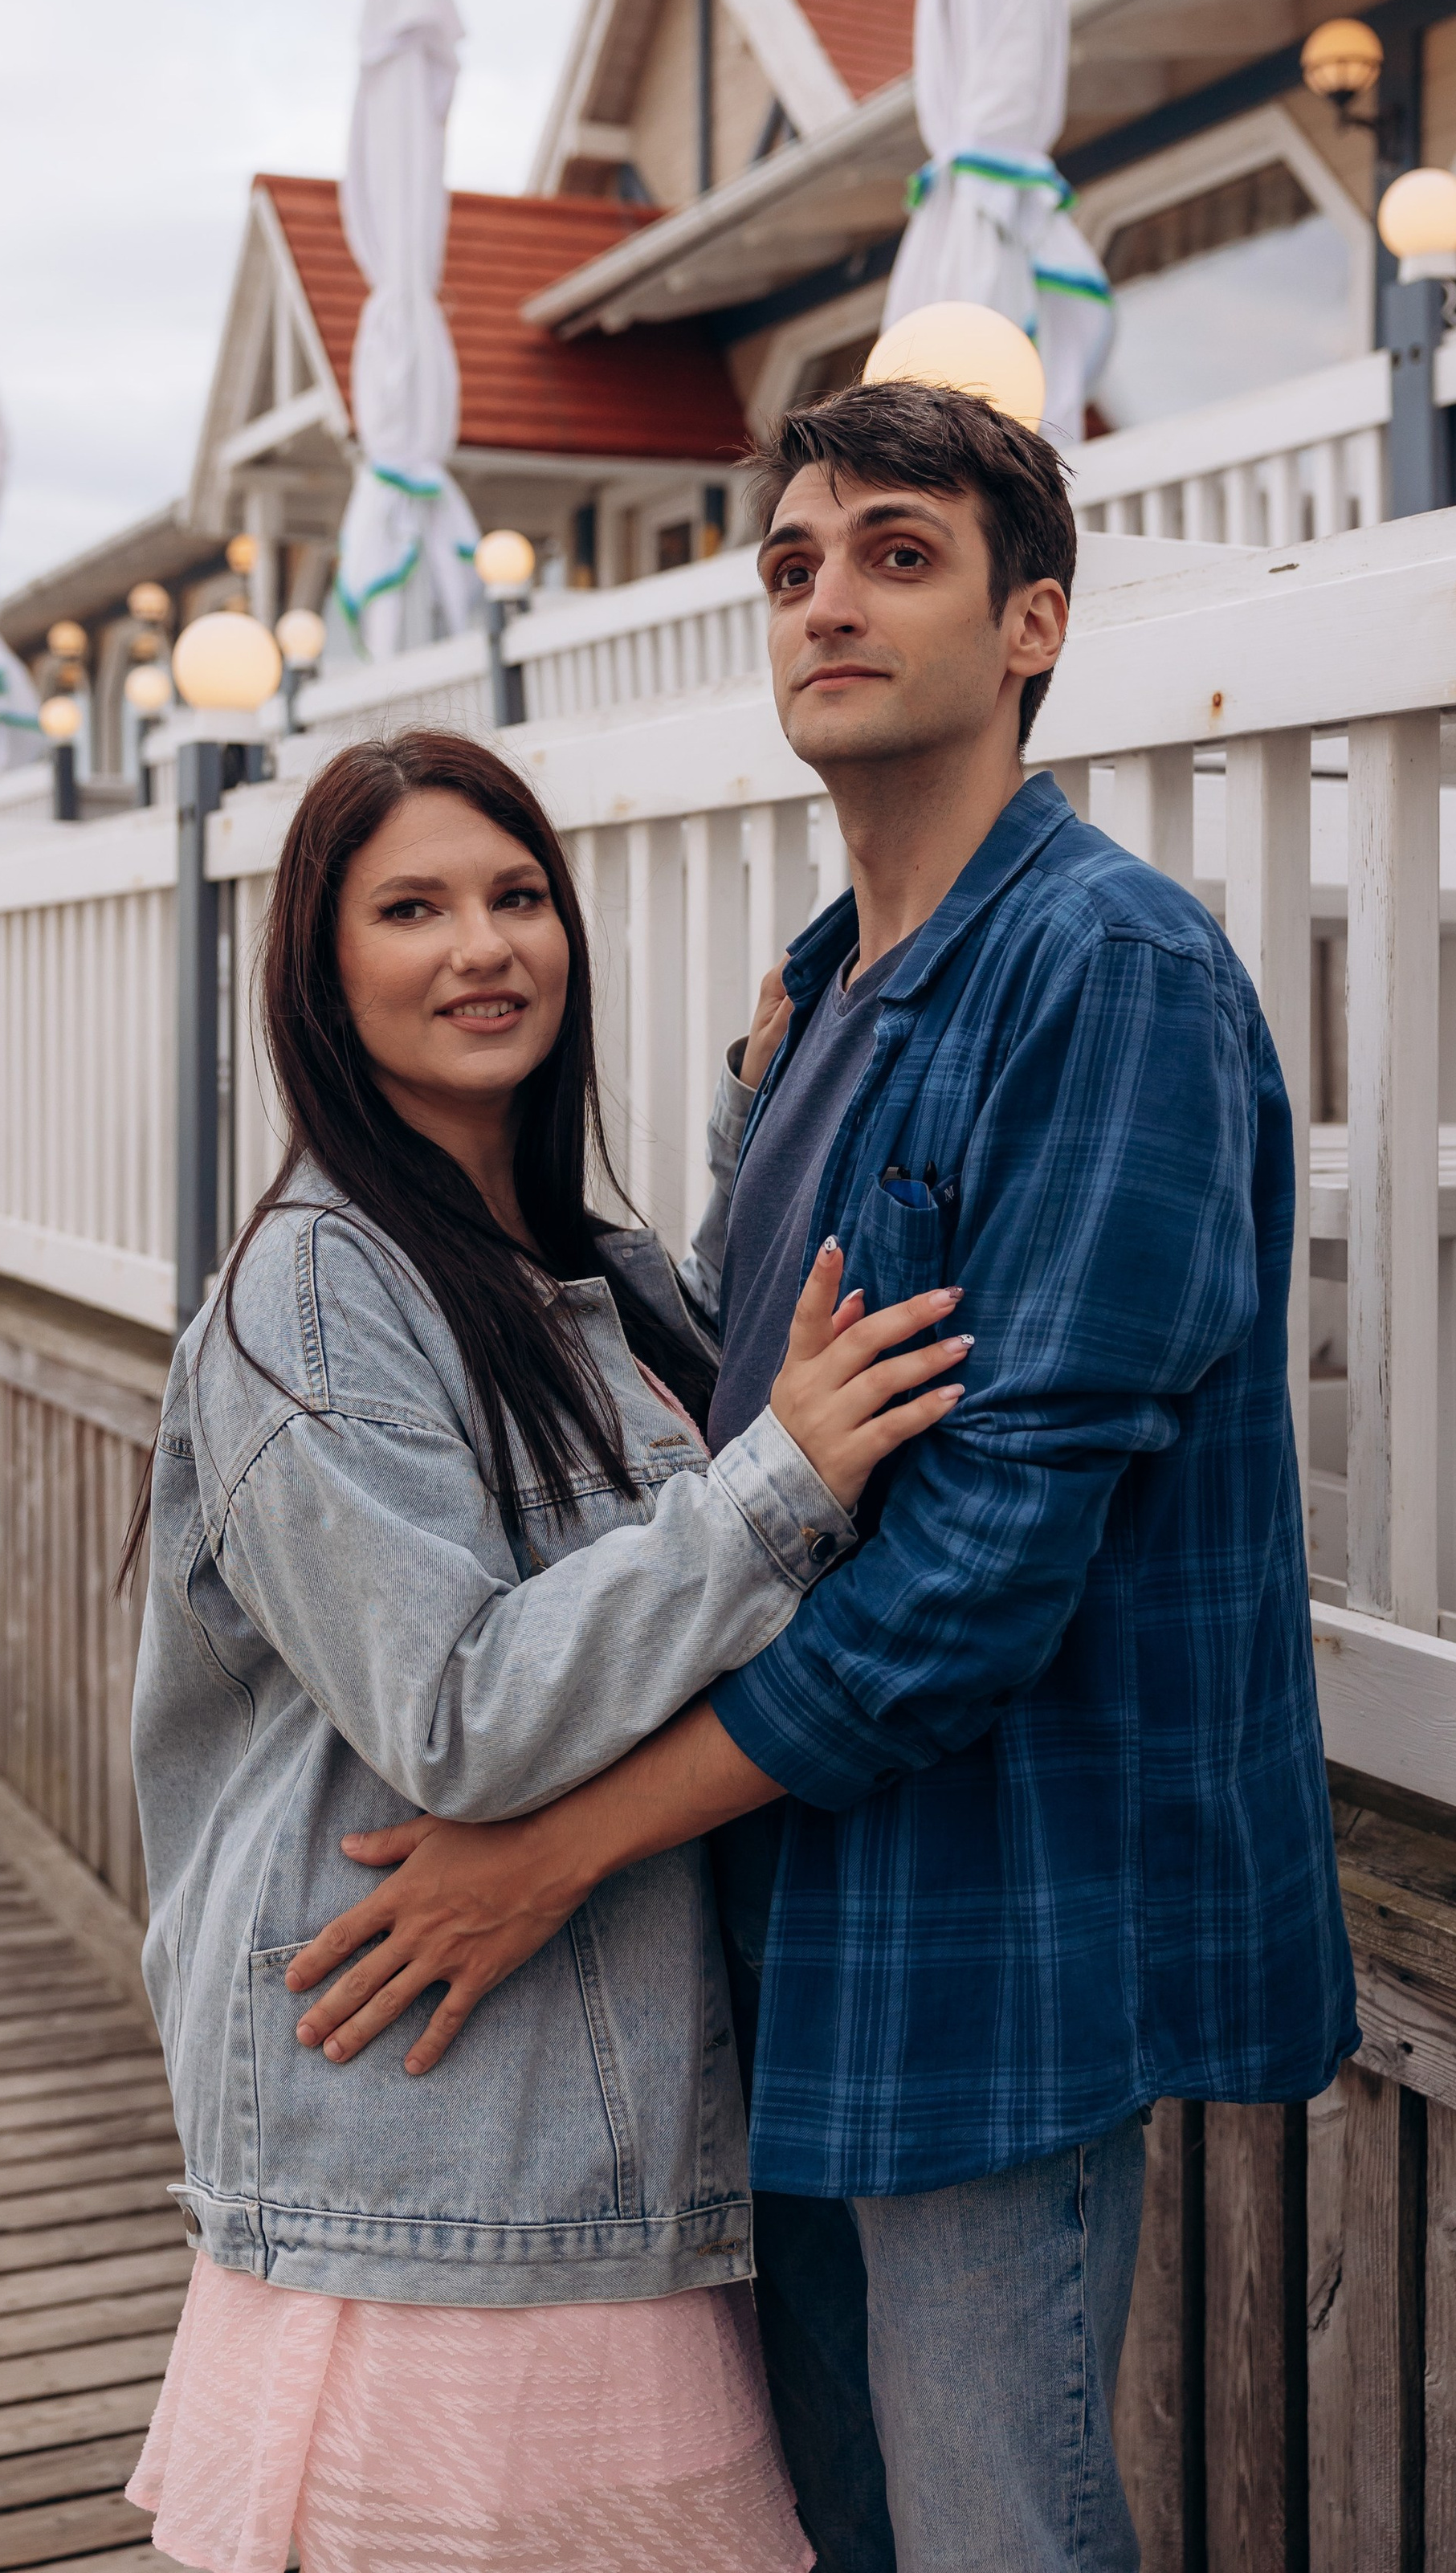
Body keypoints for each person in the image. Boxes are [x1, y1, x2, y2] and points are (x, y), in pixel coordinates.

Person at [283, 381, 1361, 2573]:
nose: (827, 601)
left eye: (898, 554)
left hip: (998, 1923)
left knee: (994, 2532)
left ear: (1030, 621)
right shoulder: (821, 991)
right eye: (791, 565)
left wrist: (554, 1851)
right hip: (790, 1923)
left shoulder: (1105, 971)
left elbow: (976, 1576)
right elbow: (754, 1459)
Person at [122, 727, 967, 2573]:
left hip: (602, 2138)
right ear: (321, 975)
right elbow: (457, 1709)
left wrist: (774, 1118)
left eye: (515, 897)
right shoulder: (317, 1287)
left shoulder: (587, 1265)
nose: (479, 946)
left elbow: (726, 1426)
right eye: (409, 908)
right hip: (438, 2157)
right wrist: (771, 1492)